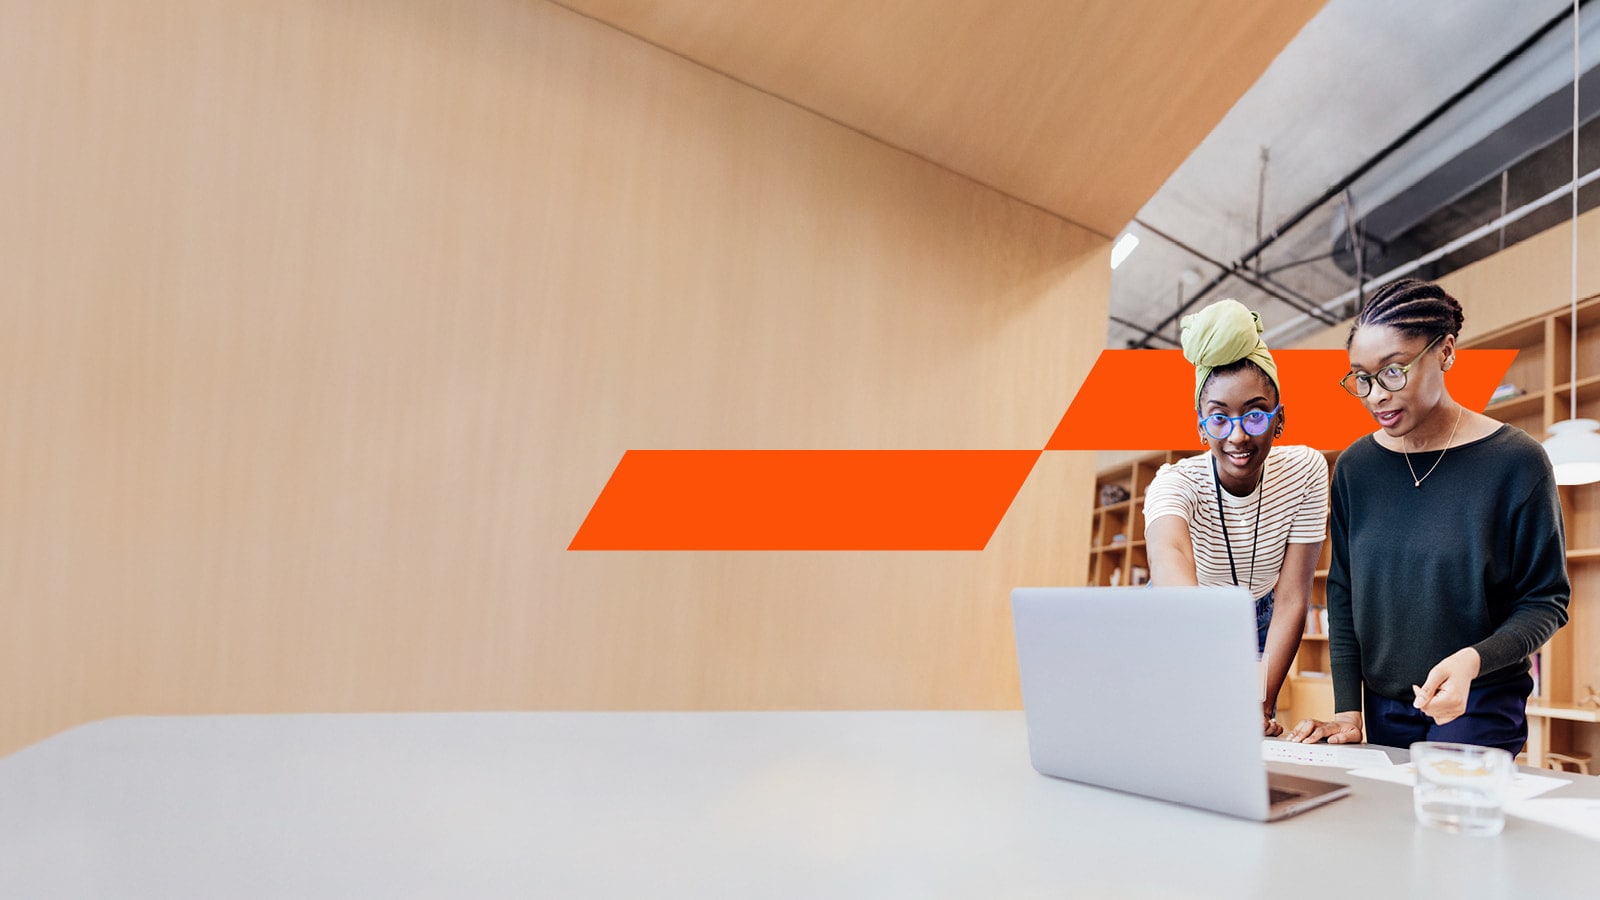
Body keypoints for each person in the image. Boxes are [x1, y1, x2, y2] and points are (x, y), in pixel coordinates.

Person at [1286, 278, 1569, 754]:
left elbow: (1547, 599)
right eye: (1362, 377)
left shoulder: (1516, 461)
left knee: (1451, 820)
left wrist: (1473, 661)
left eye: (1394, 371)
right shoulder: (1356, 467)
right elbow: (1343, 590)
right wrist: (1347, 709)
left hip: (1479, 698)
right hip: (1383, 704)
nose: (1376, 395)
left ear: (1446, 351)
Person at [1144, 299, 1329, 737]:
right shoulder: (1175, 482)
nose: (1239, 435)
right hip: (1185, 609)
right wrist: (1213, 692)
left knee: (1247, 731)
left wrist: (1259, 706)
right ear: (1200, 426)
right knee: (1174, 726)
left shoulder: (1305, 469)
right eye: (1219, 419)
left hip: (1264, 611)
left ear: (1279, 418)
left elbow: (1290, 598)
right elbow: (1170, 566)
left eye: (1255, 413)